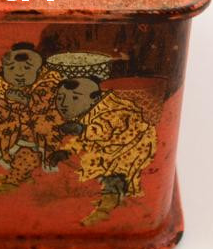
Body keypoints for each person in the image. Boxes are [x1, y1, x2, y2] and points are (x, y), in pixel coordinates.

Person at [52, 77, 158, 226]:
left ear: (94, 98)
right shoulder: (88, 112)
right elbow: (83, 140)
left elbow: (105, 129)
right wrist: (66, 151)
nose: (64, 104)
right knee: (103, 170)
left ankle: (105, 212)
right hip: (111, 148)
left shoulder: (114, 108)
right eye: (60, 98)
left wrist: (82, 129)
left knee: (113, 177)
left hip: (133, 147)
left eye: (75, 98)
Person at [0, 43, 64, 193]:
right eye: (12, 68)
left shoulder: (46, 86)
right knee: (7, 153)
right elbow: (1, 108)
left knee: (28, 156)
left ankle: (13, 181)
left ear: (40, 71)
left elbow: (43, 105)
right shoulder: (6, 88)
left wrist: (25, 100)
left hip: (38, 134)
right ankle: (22, 177)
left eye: (27, 68)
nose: (19, 74)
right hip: (12, 132)